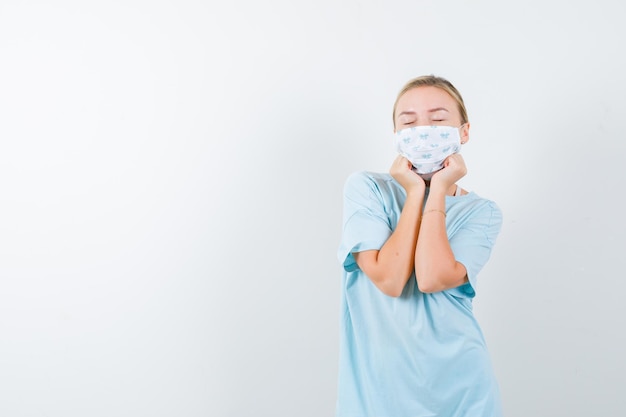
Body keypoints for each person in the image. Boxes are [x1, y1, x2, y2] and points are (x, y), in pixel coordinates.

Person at [336, 75, 503, 416]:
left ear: (463, 132)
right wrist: (414, 192)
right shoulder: (368, 189)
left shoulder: (482, 212)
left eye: (439, 120)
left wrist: (438, 189)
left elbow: (429, 277)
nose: (423, 130)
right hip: (379, 392)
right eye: (409, 122)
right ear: (397, 136)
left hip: (463, 390)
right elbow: (390, 280)